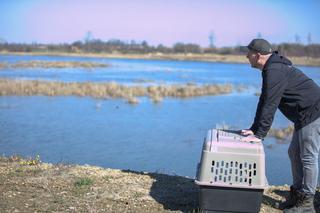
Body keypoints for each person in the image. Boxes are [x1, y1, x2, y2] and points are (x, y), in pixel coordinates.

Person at [240, 38, 320, 213]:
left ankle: (306, 203)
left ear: (258, 55)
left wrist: (260, 134)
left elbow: (270, 104)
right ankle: (298, 195)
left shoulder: (274, 70)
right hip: (304, 115)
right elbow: (264, 101)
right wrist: (254, 129)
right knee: (294, 153)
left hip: (314, 113)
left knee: (308, 157)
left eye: (249, 53)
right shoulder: (271, 69)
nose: (247, 56)